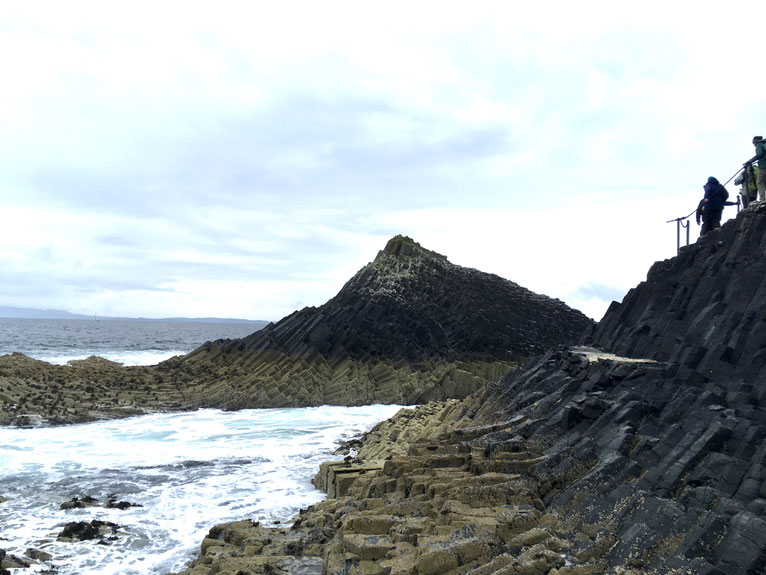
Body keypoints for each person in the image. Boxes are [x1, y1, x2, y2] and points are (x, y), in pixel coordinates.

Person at [745, 136, 766, 202]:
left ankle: (763, 200)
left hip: (763, 166)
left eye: (753, 143)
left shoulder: (759, 145)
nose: (754, 145)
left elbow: (759, 155)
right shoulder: (764, 143)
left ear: (755, 141)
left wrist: (749, 161)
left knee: (760, 183)